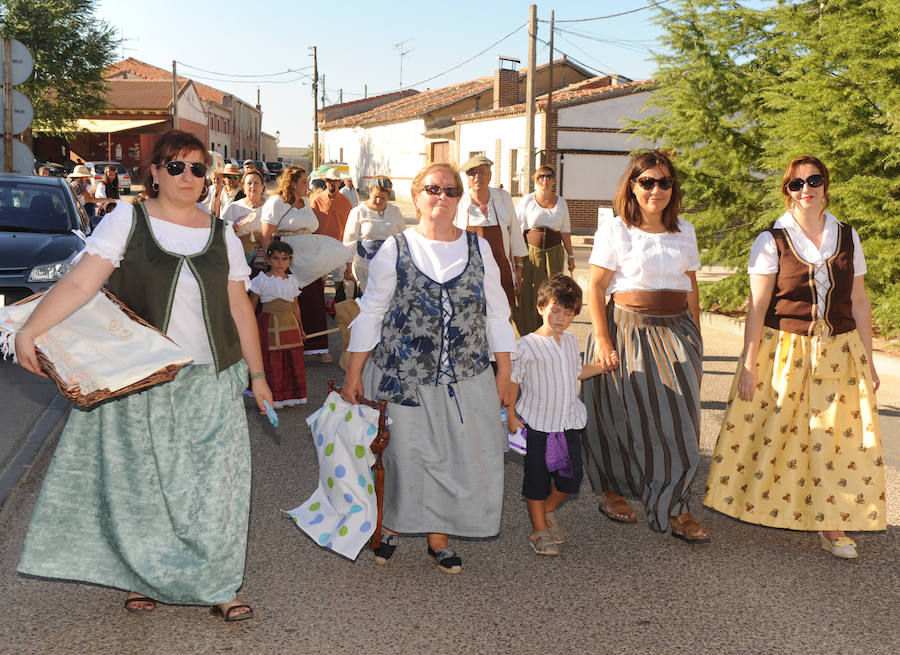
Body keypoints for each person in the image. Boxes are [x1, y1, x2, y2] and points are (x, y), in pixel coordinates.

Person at [15, 129, 272, 621]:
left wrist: (258, 376)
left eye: (198, 169)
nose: (187, 177)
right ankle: (142, 577)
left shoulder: (221, 233)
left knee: (217, 486)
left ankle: (220, 585)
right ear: (154, 172)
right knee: (145, 486)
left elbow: (240, 307)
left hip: (212, 377)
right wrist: (28, 331)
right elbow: (81, 282)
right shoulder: (125, 220)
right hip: (143, 378)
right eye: (176, 166)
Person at [704, 156, 885, 559]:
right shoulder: (772, 240)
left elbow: (858, 300)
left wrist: (868, 360)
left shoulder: (847, 236)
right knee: (774, 434)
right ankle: (765, 502)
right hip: (783, 350)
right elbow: (756, 307)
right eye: (797, 183)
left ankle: (832, 524)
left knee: (837, 438)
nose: (807, 189)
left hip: (840, 349)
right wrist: (749, 364)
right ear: (787, 191)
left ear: (826, 185)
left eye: (814, 180)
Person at [341, 162, 516, 574]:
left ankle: (438, 536)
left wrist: (506, 374)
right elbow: (371, 313)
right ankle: (390, 525)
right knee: (405, 455)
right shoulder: (395, 248)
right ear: (417, 196)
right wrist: (353, 374)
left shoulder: (480, 248)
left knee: (453, 457)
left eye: (451, 191)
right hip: (403, 375)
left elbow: (496, 314)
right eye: (434, 189)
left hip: (465, 375)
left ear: (460, 200)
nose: (442, 197)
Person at [582, 149, 709, 542]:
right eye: (647, 182)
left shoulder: (684, 230)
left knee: (679, 424)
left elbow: (691, 287)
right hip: (627, 329)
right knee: (620, 417)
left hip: (677, 333)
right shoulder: (616, 230)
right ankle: (613, 491)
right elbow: (597, 286)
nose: (656, 190)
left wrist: (697, 337)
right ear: (632, 186)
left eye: (664, 182)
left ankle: (677, 508)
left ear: (674, 188)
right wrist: (602, 339)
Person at [508, 274, 603, 555]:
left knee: (570, 480)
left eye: (568, 312)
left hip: (567, 425)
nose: (561, 318)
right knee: (536, 481)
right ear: (541, 308)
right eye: (555, 310)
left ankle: (547, 511)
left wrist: (602, 367)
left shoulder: (572, 341)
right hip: (537, 426)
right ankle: (539, 530)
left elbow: (576, 371)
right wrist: (511, 414)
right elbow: (513, 380)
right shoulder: (526, 345)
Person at [259, 166, 333, 363]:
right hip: (286, 258)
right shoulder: (276, 202)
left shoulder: (305, 202)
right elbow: (266, 236)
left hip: (309, 258)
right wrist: (272, 263)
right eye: (304, 182)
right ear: (292, 183)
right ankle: (287, 346)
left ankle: (318, 347)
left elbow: (313, 230)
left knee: (314, 300)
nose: (307, 186)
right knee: (289, 301)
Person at [455, 155, 527, 312]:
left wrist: (519, 267)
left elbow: (515, 232)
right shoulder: (459, 201)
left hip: (501, 270)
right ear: (467, 177)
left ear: (490, 175)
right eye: (472, 172)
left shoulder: (503, 197)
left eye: (482, 171)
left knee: (503, 314)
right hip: (470, 273)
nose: (477, 176)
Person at [513, 165, 576, 335]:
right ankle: (528, 332)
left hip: (554, 253)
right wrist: (516, 256)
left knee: (553, 292)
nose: (545, 180)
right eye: (541, 176)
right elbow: (513, 227)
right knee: (529, 291)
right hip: (531, 253)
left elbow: (565, 230)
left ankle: (549, 331)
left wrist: (570, 255)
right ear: (535, 179)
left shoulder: (561, 202)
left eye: (549, 176)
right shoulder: (527, 201)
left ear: (554, 180)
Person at [248, 240, 307, 407]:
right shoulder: (261, 280)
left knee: (291, 358)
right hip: (268, 323)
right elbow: (252, 303)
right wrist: (249, 324)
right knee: (270, 359)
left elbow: (296, 306)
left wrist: (301, 327)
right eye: (276, 258)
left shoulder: (293, 281)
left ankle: (289, 396)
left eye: (284, 259)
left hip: (289, 322)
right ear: (268, 260)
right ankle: (271, 396)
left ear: (290, 261)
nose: (280, 263)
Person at [341, 176, 404, 291]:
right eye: (376, 196)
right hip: (364, 267)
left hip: (388, 266)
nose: (379, 201)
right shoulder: (358, 212)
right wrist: (348, 267)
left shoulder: (395, 211)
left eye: (383, 198)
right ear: (370, 192)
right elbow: (349, 241)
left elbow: (403, 238)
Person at [222, 168, 266, 265]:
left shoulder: (270, 207)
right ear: (243, 188)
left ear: (263, 187)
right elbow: (221, 231)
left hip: (265, 255)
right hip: (238, 256)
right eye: (249, 183)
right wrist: (231, 229)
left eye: (256, 183)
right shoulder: (234, 207)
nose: (252, 186)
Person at [311, 167, 353, 242]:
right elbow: (311, 226)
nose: (331, 183)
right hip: (320, 245)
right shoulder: (317, 201)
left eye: (334, 180)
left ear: (339, 183)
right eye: (328, 180)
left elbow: (350, 227)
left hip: (339, 245)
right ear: (325, 182)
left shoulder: (346, 203)